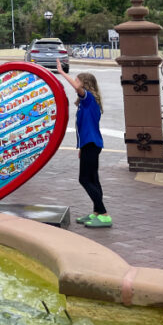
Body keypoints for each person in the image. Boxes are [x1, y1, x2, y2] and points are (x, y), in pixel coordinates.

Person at [56, 58, 111, 228]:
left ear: (84, 84)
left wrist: (62, 72)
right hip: (90, 145)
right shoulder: (87, 103)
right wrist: (82, 147)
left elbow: (77, 88)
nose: (75, 83)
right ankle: (97, 212)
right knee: (93, 179)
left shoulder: (88, 99)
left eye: (77, 80)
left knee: (85, 179)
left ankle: (104, 214)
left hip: (92, 144)